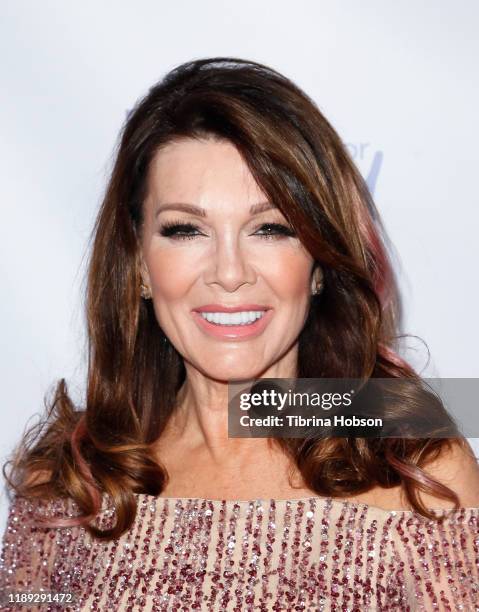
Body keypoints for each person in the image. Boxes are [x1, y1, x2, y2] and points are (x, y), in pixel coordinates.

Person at [0, 57, 478, 611]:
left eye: (270, 228)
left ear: (319, 264)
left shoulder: (416, 478)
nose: (229, 272)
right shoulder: (67, 486)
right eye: (186, 230)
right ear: (138, 264)